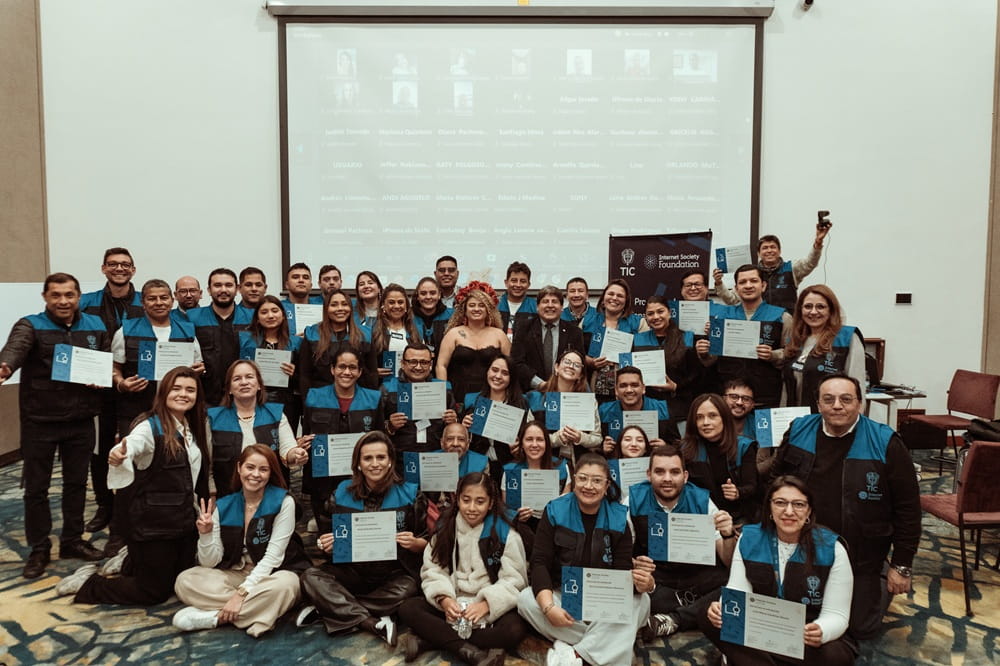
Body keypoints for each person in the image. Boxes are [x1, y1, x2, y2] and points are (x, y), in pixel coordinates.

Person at [768, 374, 921, 641]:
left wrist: (902, 565)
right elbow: (774, 482)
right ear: (818, 404)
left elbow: (908, 508)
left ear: (860, 404)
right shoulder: (799, 429)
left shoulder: (886, 441)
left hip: (860, 553)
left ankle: (879, 575)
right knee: (797, 617)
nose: (837, 405)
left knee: (860, 629)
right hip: (804, 544)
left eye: (846, 399)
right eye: (828, 399)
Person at [58, 366, 210, 605]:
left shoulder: (191, 427)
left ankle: (129, 561)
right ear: (163, 392)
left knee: (180, 580)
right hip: (152, 525)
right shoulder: (149, 427)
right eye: (176, 388)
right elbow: (131, 445)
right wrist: (119, 454)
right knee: (153, 592)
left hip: (182, 522)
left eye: (190, 390)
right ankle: (90, 583)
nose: (183, 394)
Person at [0, 273, 110, 578]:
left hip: (81, 420)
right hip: (40, 421)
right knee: (36, 488)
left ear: (78, 297)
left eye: (69, 295)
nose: (63, 301)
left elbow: (103, 360)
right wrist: (5, 367)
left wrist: (101, 379)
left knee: (76, 484)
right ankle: (39, 547)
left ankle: (72, 540)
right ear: (45, 297)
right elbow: (15, 349)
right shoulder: (30, 324)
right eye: (56, 295)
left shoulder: (95, 325)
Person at [702, 476, 856, 665]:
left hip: (804, 630)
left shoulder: (832, 548)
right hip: (762, 624)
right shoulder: (749, 538)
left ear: (809, 511)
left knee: (836, 656)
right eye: (780, 503)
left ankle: (746, 659)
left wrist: (821, 630)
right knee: (709, 616)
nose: (789, 511)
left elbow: (837, 614)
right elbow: (738, 590)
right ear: (769, 508)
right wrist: (723, 609)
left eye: (798, 504)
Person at [516, 453, 652, 666]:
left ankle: (576, 656)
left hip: (604, 602)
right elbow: (540, 562)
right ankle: (612, 645)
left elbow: (622, 574)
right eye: (582, 478)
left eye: (597, 480)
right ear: (574, 480)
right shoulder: (554, 511)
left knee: (641, 601)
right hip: (564, 597)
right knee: (525, 599)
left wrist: (643, 583)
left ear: (607, 485)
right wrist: (549, 608)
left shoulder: (619, 518)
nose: (589, 486)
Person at [298, 431, 428, 646]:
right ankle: (371, 622)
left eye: (381, 457)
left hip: (394, 573)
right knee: (311, 577)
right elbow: (325, 536)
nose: (375, 464)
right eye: (368, 458)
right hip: (351, 572)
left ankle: (331, 608)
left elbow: (427, 541)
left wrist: (415, 544)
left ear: (390, 461)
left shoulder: (410, 493)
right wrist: (325, 544)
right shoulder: (341, 493)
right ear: (358, 463)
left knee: (411, 589)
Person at [171, 444, 311, 636]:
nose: (255, 474)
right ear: (239, 468)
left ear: (271, 473)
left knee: (287, 585)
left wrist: (241, 594)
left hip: (275, 572)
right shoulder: (224, 505)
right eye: (250, 467)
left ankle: (216, 617)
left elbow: (273, 558)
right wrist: (205, 534)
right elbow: (209, 563)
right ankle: (260, 609)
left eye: (263, 469)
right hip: (237, 571)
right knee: (185, 580)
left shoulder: (284, 502)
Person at [398, 472, 527, 666]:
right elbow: (433, 569)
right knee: (408, 608)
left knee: (514, 629)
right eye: (466, 500)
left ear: (490, 503)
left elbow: (515, 580)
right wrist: (445, 600)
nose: (472, 508)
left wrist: (486, 604)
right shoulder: (445, 527)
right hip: (454, 602)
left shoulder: (505, 533)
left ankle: (434, 639)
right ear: (457, 499)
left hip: (487, 606)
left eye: (480, 501)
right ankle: (470, 651)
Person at [628, 445, 737, 640]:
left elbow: (728, 561)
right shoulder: (633, 500)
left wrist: (728, 534)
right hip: (658, 577)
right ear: (649, 475)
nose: (667, 478)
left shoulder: (702, 500)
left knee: (732, 586)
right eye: (659, 472)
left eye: (674, 472)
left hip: (697, 575)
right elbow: (620, 555)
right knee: (632, 586)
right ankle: (689, 611)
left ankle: (674, 619)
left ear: (685, 476)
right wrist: (635, 564)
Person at [79, 248, 143, 538]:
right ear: (104, 268)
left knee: (137, 446)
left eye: (125, 264)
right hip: (97, 389)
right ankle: (105, 505)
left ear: (133, 269)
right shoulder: (86, 303)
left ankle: (133, 504)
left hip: (138, 387)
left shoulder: (145, 301)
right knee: (101, 449)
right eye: (113, 264)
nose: (120, 269)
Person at [302, 346, 385, 532]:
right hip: (322, 477)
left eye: (352, 367)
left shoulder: (373, 398)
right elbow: (307, 432)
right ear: (332, 369)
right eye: (341, 366)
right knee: (326, 528)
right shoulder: (314, 397)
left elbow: (379, 437)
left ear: (360, 371)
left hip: (359, 475)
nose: (347, 372)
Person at [111, 279, 203, 435]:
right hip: (135, 410)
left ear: (172, 301)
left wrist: (198, 370)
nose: (159, 303)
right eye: (152, 298)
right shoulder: (126, 330)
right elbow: (114, 367)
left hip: (178, 410)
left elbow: (198, 364)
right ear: (143, 303)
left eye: (164, 298)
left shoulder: (187, 331)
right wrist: (122, 384)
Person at [698, 264, 791, 408]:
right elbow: (711, 360)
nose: (748, 286)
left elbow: (791, 354)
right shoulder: (722, 316)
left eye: (753, 281)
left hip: (765, 396)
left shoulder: (782, 317)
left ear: (763, 286)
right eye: (742, 282)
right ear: (736, 288)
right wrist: (704, 352)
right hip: (728, 397)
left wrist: (773, 355)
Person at [208, 360, 308, 493]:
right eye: (237, 379)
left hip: (269, 493)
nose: (244, 382)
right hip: (227, 495)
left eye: (249, 377)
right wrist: (212, 492)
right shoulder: (213, 418)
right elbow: (207, 464)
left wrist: (296, 454)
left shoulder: (275, 414)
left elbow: (288, 449)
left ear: (259, 385)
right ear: (229, 389)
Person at [783, 285, 866, 412]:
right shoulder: (795, 339)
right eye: (808, 306)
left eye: (820, 307)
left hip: (833, 416)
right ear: (800, 310)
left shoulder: (847, 337)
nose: (813, 312)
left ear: (831, 310)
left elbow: (858, 387)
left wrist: (856, 419)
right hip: (796, 416)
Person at [680, 393, 759, 524]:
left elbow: (752, 487)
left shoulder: (743, 446)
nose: (705, 423)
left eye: (712, 416)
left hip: (738, 517)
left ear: (724, 417)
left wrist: (738, 492)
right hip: (699, 518)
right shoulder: (685, 449)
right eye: (699, 417)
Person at [714, 225, 832, 312]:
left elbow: (810, 262)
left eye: (773, 247)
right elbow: (732, 299)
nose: (769, 250)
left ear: (779, 251)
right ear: (758, 253)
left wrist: (818, 243)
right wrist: (719, 283)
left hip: (787, 324)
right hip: (760, 324)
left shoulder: (791, 268)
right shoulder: (752, 275)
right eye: (765, 248)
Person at [382, 342, 457, 466]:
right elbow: (375, 429)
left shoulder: (443, 388)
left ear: (431, 364)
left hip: (435, 458)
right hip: (398, 459)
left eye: (424, 362)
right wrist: (390, 426)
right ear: (402, 363)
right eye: (412, 362)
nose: (418, 367)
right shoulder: (387, 389)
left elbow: (456, 428)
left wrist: (453, 421)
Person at [435, 281, 510, 403]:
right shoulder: (453, 334)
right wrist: (445, 395)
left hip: (491, 396)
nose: (476, 309)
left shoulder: (499, 335)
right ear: (464, 309)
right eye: (472, 305)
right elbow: (441, 366)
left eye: (481, 305)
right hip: (457, 396)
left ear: (488, 310)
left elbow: (510, 367)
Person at [526, 349, 602, 464]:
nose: (571, 366)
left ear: (581, 375)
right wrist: (557, 439)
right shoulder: (537, 399)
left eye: (577, 365)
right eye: (567, 362)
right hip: (548, 463)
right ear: (556, 367)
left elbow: (597, 438)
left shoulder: (588, 402)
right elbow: (529, 439)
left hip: (579, 464)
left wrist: (581, 438)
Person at [633, 295, 702, 420]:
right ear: (646, 317)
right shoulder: (637, 340)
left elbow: (697, 375)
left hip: (679, 408)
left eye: (660, 311)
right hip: (646, 409)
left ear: (669, 313)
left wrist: (675, 387)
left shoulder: (687, 338)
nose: (656, 317)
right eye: (650, 314)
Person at [460, 353, 529, 478]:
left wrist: (520, 448)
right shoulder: (473, 401)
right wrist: (463, 428)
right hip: (478, 468)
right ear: (487, 371)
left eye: (505, 373)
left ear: (511, 377)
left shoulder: (521, 404)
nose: (498, 376)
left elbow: (529, 436)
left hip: (508, 467)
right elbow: (464, 442)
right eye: (494, 370)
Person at [239, 294, 303, 427]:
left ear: (283, 315)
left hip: (288, 403)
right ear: (257, 318)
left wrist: (294, 373)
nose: (270, 316)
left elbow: (305, 378)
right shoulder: (246, 341)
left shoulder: (296, 343)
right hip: (254, 400)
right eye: (264, 312)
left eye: (275, 311)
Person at [300, 288, 377, 393]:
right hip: (321, 397)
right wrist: (308, 400)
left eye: (344, 304)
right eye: (334, 305)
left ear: (350, 308)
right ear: (326, 309)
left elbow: (372, 374)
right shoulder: (312, 334)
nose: (340, 308)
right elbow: (305, 375)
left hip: (357, 398)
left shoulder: (364, 335)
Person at [511, 285, 584, 392]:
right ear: (537, 307)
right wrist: (539, 384)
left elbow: (579, 364)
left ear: (562, 307)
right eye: (545, 301)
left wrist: (560, 385)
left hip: (564, 392)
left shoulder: (574, 332)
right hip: (530, 392)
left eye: (554, 301)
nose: (550, 305)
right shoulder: (524, 328)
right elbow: (516, 362)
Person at [188, 268, 245, 406]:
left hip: (243, 394)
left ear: (237, 289)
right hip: (204, 397)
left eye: (228, 285)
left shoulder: (251, 318)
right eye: (217, 285)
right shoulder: (192, 317)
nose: (223, 290)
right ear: (209, 290)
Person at [586, 279, 646, 403]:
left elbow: (646, 356)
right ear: (603, 298)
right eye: (611, 294)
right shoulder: (587, 321)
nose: (614, 298)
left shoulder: (638, 323)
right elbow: (577, 352)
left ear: (626, 301)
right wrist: (590, 362)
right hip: (594, 390)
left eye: (620, 296)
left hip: (629, 391)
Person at [501, 420, 569, 530]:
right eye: (529, 439)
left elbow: (566, 507)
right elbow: (506, 508)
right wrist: (517, 515)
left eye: (540, 439)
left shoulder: (561, 468)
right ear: (521, 443)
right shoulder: (511, 470)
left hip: (555, 526)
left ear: (547, 443)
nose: (534, 444)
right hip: (523, 527)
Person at [598, 366, 680, 450]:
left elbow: (677, 444)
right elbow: (595, 445)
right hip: (617, 458)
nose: (629, 390)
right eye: (623, 386)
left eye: (634, 385)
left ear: (643, 388)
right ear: (616, 390)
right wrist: (602, 449)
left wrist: (665, 447)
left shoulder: (662, 409)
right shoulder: (604, 411)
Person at [371, 283, 421, 380]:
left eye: (400, 302)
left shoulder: (417, 330)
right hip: (382, 385)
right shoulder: (372, 330)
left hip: (411, 384)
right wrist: (373, 372)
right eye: (391, 302)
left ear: (406, 306)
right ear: (383, 305)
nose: (396, 306)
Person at [411, 276, 452, 357]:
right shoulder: (408, 316)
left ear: (439, 295)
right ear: (418, 296)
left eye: (433, 293)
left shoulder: (452, 315)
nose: (428, 297)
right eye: (423, 293)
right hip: (416, 363)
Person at [498, 261, 537, 340]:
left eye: (523, 281)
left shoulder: (535, 307)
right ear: (506, 282)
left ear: (529, 284)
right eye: (514, 280)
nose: (518, 285)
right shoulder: (495, 305)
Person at [281, 262, 323, 335]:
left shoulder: (322, 308)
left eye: (305, 277)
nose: (301, 280)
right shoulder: (278, 308)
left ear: (311, 285)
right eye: (295, 277)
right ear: (287, 285)